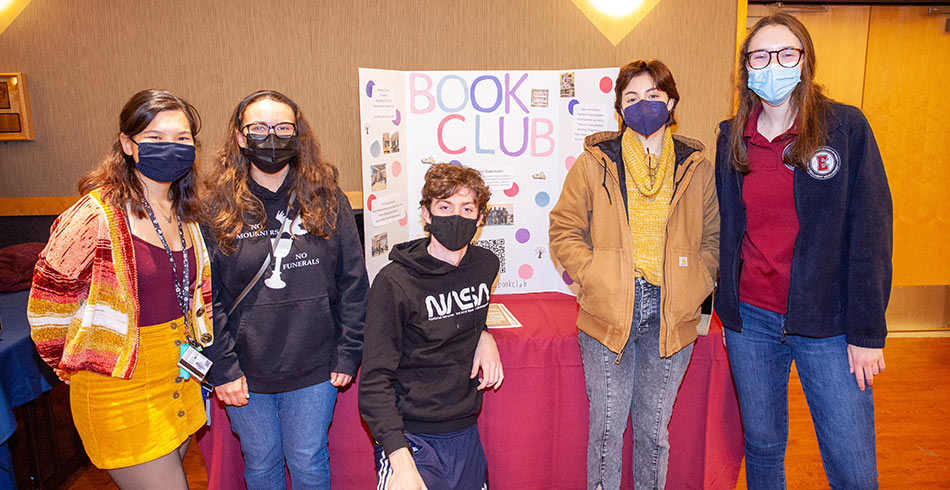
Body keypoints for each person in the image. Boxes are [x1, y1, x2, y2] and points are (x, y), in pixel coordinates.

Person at [715, 13, 892, 490]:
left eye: (786, 53)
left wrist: (868, 331)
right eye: (760, 54)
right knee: (764, 447)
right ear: (746, 67)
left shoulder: (844, 128)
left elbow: (871, 230)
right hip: (752, 320)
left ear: (805, 61)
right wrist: (726, 310)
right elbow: (728, 230)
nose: (773, 63)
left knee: (851, 464)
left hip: (830, 325)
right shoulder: (732, 135)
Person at [28, 89, 212, 489]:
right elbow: (47, 309)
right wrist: (80, 365)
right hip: (119, 383)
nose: (172, 148)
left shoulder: (186, 212)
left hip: (179, 375)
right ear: (128, 145)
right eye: (156, 138)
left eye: (182, 139)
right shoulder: (93, 215)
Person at [549, 60, 719, 490]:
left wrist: (697, 283)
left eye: (653, 96)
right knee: (606, 431)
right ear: (619, 109)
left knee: (653, 433)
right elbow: (564, 228)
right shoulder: (594, 162)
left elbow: (714, 238)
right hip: (610, 313)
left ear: (672, 102)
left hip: (671, 314)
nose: (643, 105)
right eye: (631, 98)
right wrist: (595, 275)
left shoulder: (697, 166)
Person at [202, 90, 368, 490]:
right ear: (240, 137)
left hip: (314, 363)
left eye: (282, 128)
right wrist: (222, 367)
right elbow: (208, 296)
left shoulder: (327, 198)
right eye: (258, 128)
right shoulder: (215, 207)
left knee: (309, 461)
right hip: (245, 369)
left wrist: (348, 353)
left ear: (298, 134)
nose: (271, 136)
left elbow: (353, 282)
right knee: (260, 463)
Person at [359, 163, 504, 490]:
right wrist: (401, 460)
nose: (456, 216)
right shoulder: (394, 283)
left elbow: (467, 314)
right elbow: (374, 381)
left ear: (480, 218)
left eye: (467, 208)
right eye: (444, 207)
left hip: (465, 432)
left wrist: (484, 335)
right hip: (411, 436)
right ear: (426, 214)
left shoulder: (486, 266)